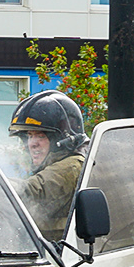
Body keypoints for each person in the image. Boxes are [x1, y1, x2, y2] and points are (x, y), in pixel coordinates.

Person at [9, 90, 88, 243]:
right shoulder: (51, 166)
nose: (32, 143)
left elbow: (29, 192)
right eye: (30, 136)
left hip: (64, 260)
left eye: (41, 136)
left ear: (62, 139)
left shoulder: (71, 166)